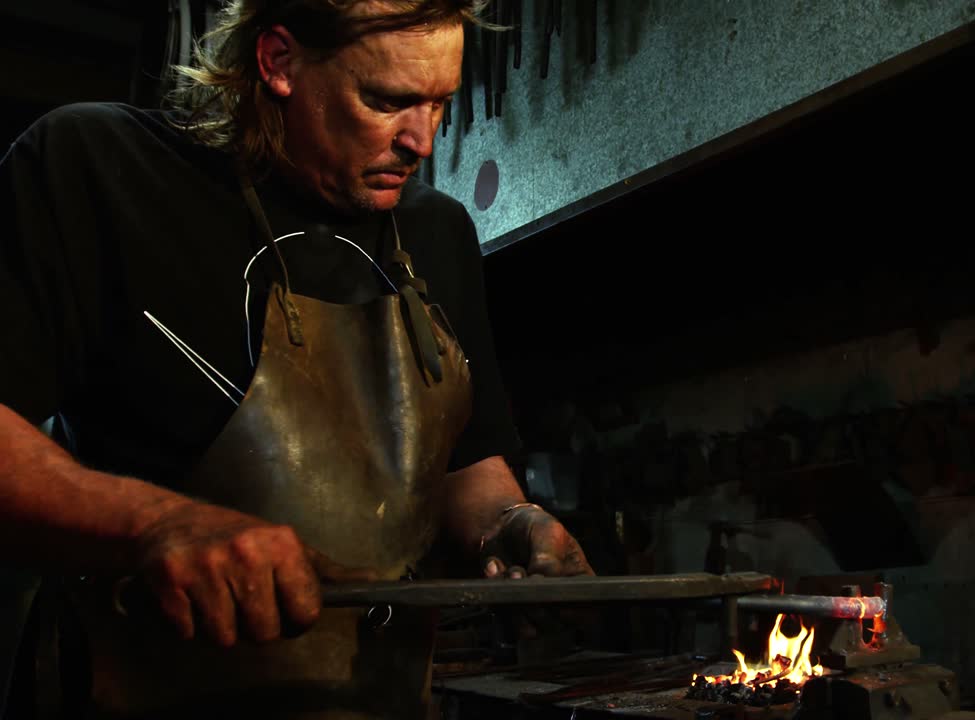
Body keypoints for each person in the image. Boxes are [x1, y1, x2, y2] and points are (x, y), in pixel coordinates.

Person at [0, 0, 592, 717]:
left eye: (440, 103)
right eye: (387, 101)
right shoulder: (96, 170)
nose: (422, 140)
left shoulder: (436, 234)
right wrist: (155, 523)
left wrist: (511, 523)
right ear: (278, 61)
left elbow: (465, 467)